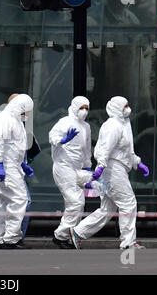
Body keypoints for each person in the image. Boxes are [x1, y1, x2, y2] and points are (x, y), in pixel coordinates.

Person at [69, 96, 149, 250]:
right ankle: (128, 243)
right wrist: (101, 166)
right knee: (128, 203)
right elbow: (105, 149)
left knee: (108, 209)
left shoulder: (124, 124)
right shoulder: (113, 125)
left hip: (116, 168)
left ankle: (78, 232)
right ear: (118, 108)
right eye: (125, 106)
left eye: (128, 105)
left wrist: (138, 163)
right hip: (112, 169)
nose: (128, 108)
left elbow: (126, 150)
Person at [0, 94, 34, 249]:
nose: (27, 114)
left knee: (1, 203)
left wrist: (23, 164)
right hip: (6, 167)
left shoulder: (15, 120)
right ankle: (11, 238)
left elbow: (14, 147)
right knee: (20, 199)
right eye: (27, 110)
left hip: (11, 166)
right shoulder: (4, 119)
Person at [49, 96, 92, 249]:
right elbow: (52, 137)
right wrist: (64, 140)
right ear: (74, 107)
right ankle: (60, 235)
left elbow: (87, 149)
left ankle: (67, 236)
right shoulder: (65, 122)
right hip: (64, 166)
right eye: (82, 108)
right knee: (75, 202)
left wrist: (87, 167)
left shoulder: (86, 127)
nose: (84, 111)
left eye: (87, 108)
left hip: (78, 169)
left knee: (79, 203)